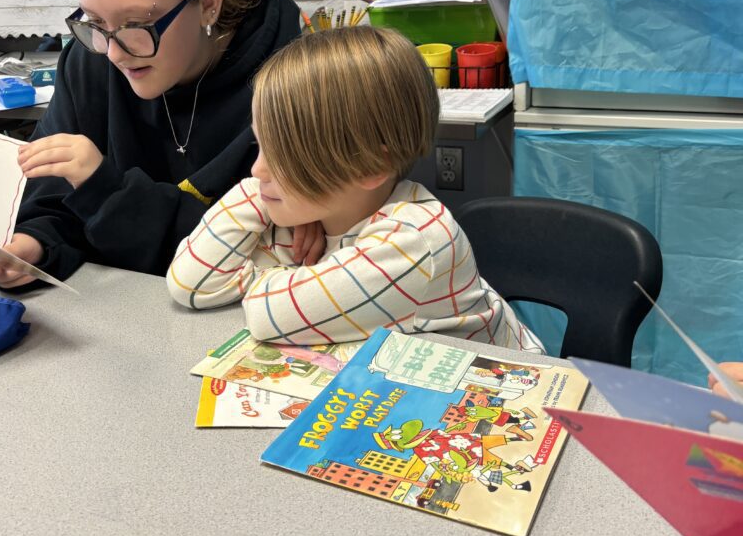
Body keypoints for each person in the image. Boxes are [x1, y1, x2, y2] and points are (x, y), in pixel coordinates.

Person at [0, 0, 302, 287]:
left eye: (136, 24)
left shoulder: (293, 81)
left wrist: (105, 191)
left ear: (208, 3)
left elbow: (260, 248)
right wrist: (33, 247)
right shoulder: (90, 61)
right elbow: (51, 201)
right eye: (95, 22)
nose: (114, 54)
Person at [166, 26, 544, 351]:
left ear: (371, 166)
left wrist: (255, 275)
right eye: (259, 145)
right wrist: (257, 196)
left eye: (282, 153)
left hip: (507, 398)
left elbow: (268, 314)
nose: (256, 168)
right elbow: (189, 284)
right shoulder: (303, 213)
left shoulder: (415, 239)